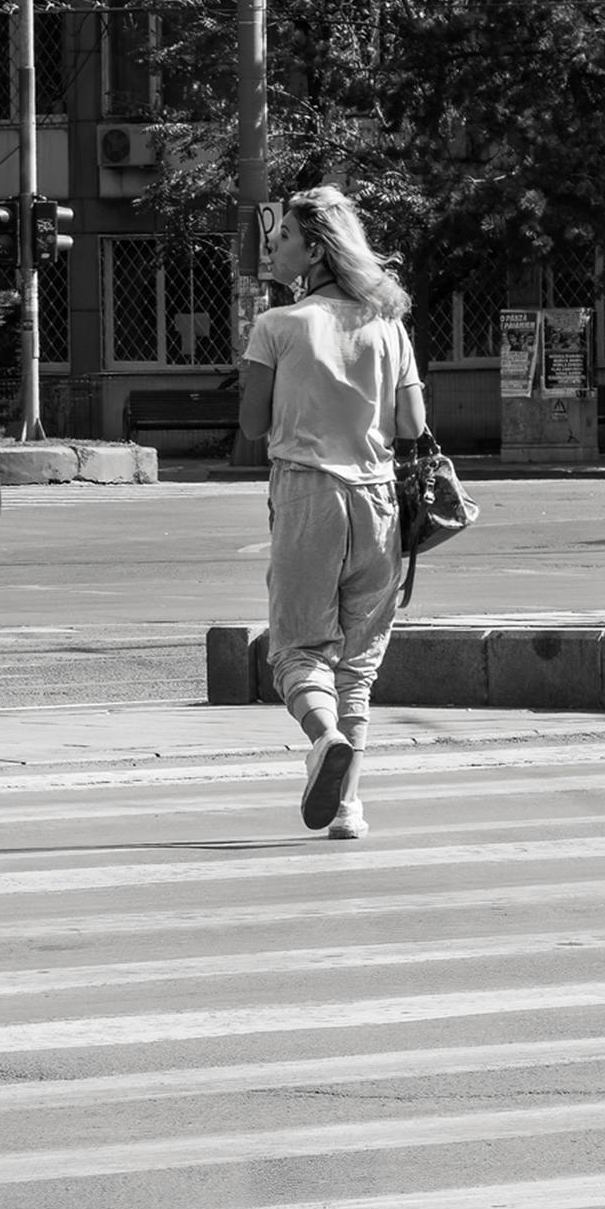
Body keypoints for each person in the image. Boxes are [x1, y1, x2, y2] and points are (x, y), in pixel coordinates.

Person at [239, 186, 426, 841]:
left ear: (316, 249)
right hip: (379, 505)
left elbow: (250, 425)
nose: (274, 243)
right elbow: (412, 423)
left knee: (297, 651)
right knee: (358, 666)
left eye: (286, 235)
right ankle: (348, 807)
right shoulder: (388, 324)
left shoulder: (278, 326)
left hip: (308, 496)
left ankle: (323, 741)